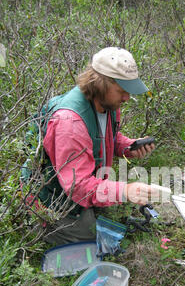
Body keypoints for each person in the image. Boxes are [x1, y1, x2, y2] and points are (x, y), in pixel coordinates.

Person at [39, 47, 158, 245]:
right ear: (101, 83)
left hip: (76, 180)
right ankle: (40, 226)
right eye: (122, 91)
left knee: (101, 223)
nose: (127, 98)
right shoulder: (70, 124)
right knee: (93, 235)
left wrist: (127, 147)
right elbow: (77, 186)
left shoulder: (108, 104)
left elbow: (105, 136)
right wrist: (124, 191)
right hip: (53, 193)